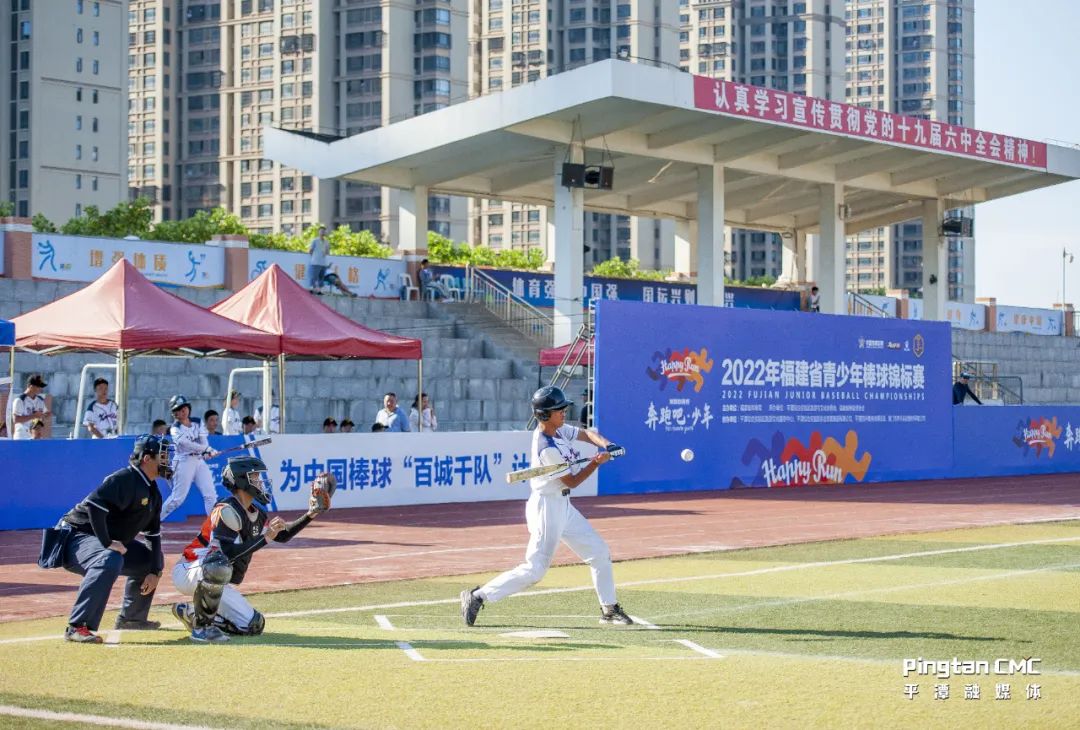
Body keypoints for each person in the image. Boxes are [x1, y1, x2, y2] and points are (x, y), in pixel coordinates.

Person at [460, 385, 632, 627]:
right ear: (544, 415)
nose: (564, 412)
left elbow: (585, 434)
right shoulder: (546, 447)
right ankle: (478, 596)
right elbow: (572, 481)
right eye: (559, 410)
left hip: (563, 506)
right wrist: (596, 464)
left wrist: (607, 445)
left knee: (599, 552)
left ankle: (609, 608)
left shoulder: (558, 429)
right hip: (546, 509)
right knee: (535, 570)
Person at [170, 457, 334, 642]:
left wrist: (311, 513)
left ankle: (192, 613)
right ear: (242, 480)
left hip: (214, 575)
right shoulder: (226, 509)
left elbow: (282, 535)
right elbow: (226, 553)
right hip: (190, 569)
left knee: (253, 625)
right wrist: (265, 538)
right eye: (255, 477)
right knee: (218, 565)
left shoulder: (257, 512)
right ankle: (202, 629)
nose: (260, 482)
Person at [51, 434, 172, 642]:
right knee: (109, 558)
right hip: (74, 538)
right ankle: (78, 627)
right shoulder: (125, 478)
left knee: (150, 560)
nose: (167, 460)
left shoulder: (153, 492)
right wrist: (107, 542)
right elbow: (94, 507)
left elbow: (152, 535)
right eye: (162, 456)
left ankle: (132, 618)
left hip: (98, 541)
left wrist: (155, 571)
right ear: (146, 458)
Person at [160, 395, 219, 520]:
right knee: (177, 499)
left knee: (210, 495)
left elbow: (203, 441)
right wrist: (206, 449)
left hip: (198, 461)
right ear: (174, 413)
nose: (182, 411)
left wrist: (206, 452)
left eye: (184, 407)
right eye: (178, 409)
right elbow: (187, 444)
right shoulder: (175, 429)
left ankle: (214, 527)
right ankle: (153, 522)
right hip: (183, 461)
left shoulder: (198, 422)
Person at [11, 373, 49, 440]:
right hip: (22, 437)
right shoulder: (20, 400)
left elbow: (46, 413)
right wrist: (33, 416)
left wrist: (45, 415)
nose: (40, 389)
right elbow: (15, 419)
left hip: (35, 436)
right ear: (31, 386)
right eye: (38, 386)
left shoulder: (40, 400)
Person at [307, 225, 330, 294]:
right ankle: (311, 289)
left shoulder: (327, 242)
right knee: (314, 277)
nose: (323, 232)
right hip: (315, 262)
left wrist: (326, 252)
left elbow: (328, 252)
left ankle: (320, 290)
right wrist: (314, 257)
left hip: (323, 263)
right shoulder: (315, 240)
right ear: (318, 232)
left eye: (324, 231)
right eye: (321, 231)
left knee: (321, 278)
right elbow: (310, 250)